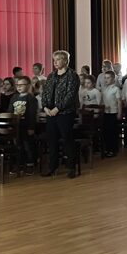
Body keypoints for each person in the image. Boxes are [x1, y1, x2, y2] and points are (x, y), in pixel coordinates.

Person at [41, 50, 80, 178]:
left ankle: (71, 167)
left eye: (58, 59)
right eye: (54, 60)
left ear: (65, 61)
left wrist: (57, 108)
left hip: (65, 113)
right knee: (52, 140)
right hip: (50, 112)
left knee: (67, 139)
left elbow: (70, 95)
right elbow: (45, 92)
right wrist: (45, 107)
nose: (55, 62)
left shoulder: (72, 75)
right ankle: (52, 167)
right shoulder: (51, 76)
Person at [9, 76, 38, 175]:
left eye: (22, 85)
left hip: (26, 125)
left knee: (27, 145)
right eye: (17, 85)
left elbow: (32, 114)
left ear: (28, 85)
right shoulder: (14, 97)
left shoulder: (31, 98)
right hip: (16, 126)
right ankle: (19, 164)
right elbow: (10, 111)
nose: (19, 87)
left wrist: (31, 127)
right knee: (18, 146)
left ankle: (30, 164)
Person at [102, 70, 122, 157]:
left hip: (113, 112)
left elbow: (119, 102)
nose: (106, 79)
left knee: (113, 132)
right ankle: (107, 148)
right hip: (106, 112)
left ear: (113, 79)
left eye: (108, 78)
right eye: (105, 78)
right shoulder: (104, 89)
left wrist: (119, 113)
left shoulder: (116, 89)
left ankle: (113, 150)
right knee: (106, 132)